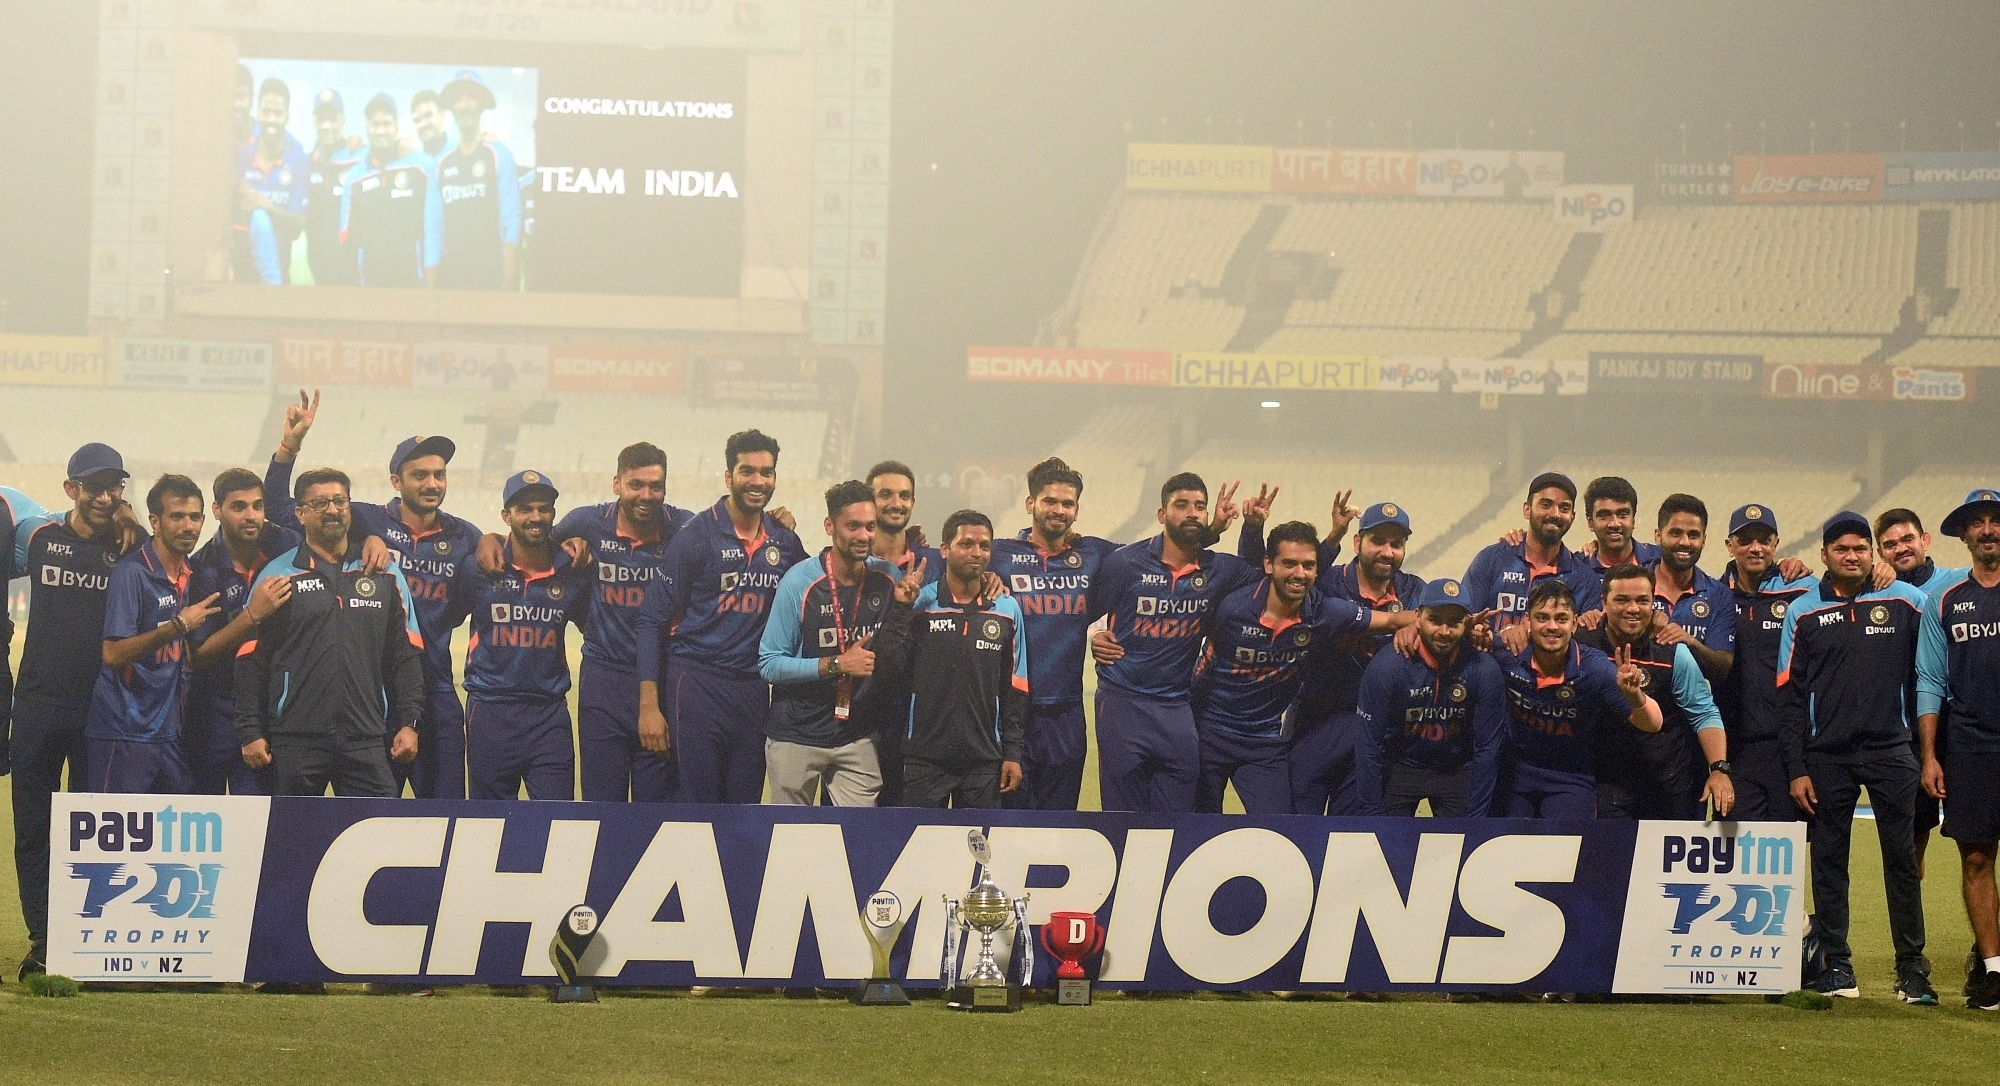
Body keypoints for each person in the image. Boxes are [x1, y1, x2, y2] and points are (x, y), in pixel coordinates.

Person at [273, 391, 478, 798]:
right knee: (373, 813)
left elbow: (463, 605)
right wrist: (289, 445)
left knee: (447, 814)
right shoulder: (367, 518)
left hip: (435, 686)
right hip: (374, 697)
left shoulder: (465, 536)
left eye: (439, 474)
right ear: (396, 482)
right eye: (420, 475)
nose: (432, 483)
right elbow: (280, 508)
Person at [1778, 511, 1934, 1005]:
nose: (1852, 556)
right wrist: (1797, 767)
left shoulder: (1907, 601)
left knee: (1902, 861)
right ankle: (1837, 966)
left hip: (1893, 751)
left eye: (1861, 549)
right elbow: (1787, 696)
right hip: (1827, 757)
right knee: (1828, 862)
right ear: (1824, 555)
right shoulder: (1800, 612)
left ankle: (1912, 970)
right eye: (1841, 549)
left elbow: (1935, 663)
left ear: (1873, 553)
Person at [9, 443, 146, 980]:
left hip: (103, 712)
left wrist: (132, 520)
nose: (106, 497)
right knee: (33, 830)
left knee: (94, 832)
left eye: (115, 487)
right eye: (95, 487)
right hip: (39, 706)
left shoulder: (131, 548)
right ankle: (44, 940)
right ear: (72, 489)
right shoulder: (41, 537)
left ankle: (88, 935)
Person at [502, 442, 695, 802]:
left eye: (656, 486)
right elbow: (529, 543)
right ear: (616, 483)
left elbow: (731, 530)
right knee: (600, 803)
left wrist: (776, 519)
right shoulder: (586, 522)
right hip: (603, 680)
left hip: (661, 680)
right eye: (636, 484)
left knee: (656, 808)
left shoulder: (684, 527)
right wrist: (488, 541)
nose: (646, 495)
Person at [1193, 520, 1410, 814]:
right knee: (1196, 831)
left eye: (1308, 565)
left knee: (1283, 835)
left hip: (1264, 745)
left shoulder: (1325, 612)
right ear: (1269, 565)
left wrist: (1452, 625)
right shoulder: (1233, 609)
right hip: (1211, 736)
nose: (1299, 574)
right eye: (1290, 564)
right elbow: (1199, 669)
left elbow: (1390, 620)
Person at [234, 468, 425, 799]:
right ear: (300, 513)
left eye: (339, 501)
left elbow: (405, 655)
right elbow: (251, 661)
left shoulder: (385, 575)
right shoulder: (278, 575)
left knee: (377, 838)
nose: (332, 510)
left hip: (365, 737)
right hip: (295, 740)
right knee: (292, 843)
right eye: (320, 503)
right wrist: (249, 731)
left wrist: (409, 723)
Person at [638, 430, 807, 804]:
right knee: (698, 804)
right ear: (729, 476)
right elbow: (651, 621)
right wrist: (649, 707)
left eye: (767, 472)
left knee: (745, 804)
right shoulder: (696, 535)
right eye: (748, 471)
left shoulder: (785, 542)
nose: (758, 481)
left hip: (752, 687)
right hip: (696, 681)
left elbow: (819, 588)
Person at [1242, 496, 1427, 816]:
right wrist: (1253, 528)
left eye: (1396, 544)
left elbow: (1443, 627)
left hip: (1373, 735)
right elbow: (1264, 578)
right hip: (1316, 724)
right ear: (1358, 542)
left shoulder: (1415, 591)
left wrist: (1419, 626)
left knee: (1351, 839)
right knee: (1300, 833)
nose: (1387, 551)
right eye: (1377, 541)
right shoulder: (1326, 583)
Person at [1087, 473, 1257, 812]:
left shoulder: (1219, 569)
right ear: (1162, 514)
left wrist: (1251, 528)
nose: (1192, 513)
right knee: (1121, 820)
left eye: (1199, 507)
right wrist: (1095, 633)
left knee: (1177, 823)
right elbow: (1086, 611)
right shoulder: (1126, 562)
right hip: (1123, 703)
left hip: (1177, 708)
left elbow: (1264, 579)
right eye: (1182, 505)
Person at [871, 510, 1027, 808]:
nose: (976, 553)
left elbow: (1015, 689)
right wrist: (901, 610)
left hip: (983, 759)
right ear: (945, 549)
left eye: (983, 546)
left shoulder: (1007, 609)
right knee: (924, 850)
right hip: (924, 758)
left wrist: (1012, 754)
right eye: (966, 544)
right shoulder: (919, 605)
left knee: (980, 851)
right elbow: (887, 669)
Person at [757, 481, 899, 806]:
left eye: (870, 526)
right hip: (796, 734)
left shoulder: (888, 579)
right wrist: (836, 664)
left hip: (856, 735)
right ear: (829, 526)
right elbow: (769, 663)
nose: (863, 535)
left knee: (855, 840)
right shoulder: (799, 582)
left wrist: (991, 584)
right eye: (853, 526)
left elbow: (927, 600)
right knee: (789, 841)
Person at [991, 457, 1118, 811]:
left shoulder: (1093, 554)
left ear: (1077, 510)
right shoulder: (999, 555)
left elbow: (1152, 561)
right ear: (1030, 503)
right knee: (1007, 825)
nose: (1058, 510)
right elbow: (952, 561)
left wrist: (1106, 631)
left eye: (1067, 503)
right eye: (1050, 501)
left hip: (1066, 714)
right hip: (1010, 712)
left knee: (1060, 826)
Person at [1915, 489, 2000, 1009]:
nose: (1988, 530)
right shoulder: (1944, 600)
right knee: (1975, 858)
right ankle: (1993, 969)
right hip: (1970, 748)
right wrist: (1930, 755)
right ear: (1964, 535)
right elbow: (1929, 679)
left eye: (1995, 521)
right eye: (1979, 523)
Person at [84, 476, 223, 793]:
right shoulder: (131, 572)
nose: (188, 526)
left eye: (194, 517)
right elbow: (113, 654)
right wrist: (178, 627)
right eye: (177, 516)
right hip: (123, 732)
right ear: (155, 522)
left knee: (173, 835)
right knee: (115, 836)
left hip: (167, 733)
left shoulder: (192, 573)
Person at [182, 468, 312, 795]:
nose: (251, 516)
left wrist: (370, 538)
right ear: (217, 510)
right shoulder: (201, 569)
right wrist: (252, 615)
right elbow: (199, 655)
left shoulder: (285, 546)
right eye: (239, 507)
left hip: (270, 712)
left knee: (260, 826)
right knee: (203, 821)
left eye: (257, 506)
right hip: (213, 713)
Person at [463, 471, 591, 800]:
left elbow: (595, 627)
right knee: (488, 825)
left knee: (556, 820)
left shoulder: (572, 568)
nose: (536, 517)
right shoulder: (479, 567)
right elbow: (442, 619)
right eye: (525, 509)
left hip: (548, 716)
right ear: (507, 516)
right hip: (491, 711)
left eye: (544, 508)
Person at [1494, 579, 1663, 819]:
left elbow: (1653, 723)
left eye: (1561, 619)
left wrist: (1635, 696)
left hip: (1570, 778)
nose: (1552, 626)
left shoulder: (1594, 668)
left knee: (1568, 851)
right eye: (1542, 618)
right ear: (1527, 622)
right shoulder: (1507, 653)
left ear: (1574, 624)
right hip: (1515, 773)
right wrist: (1477, 632)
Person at [1579, 564, 1732, 820]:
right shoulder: (1581, 645)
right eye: (1622, 600)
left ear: (1653, 603)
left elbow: (1703, 711)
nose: (1633, 609)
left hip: (1669, 787)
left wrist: (1719, 770)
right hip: (1605, 788)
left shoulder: (1671, 651)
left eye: (1642, 600)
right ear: (1603, 602)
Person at [1355, 578, 1506, 817]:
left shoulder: (1483, 669)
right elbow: (1367, 745)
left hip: (1456, 770)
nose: (1444, 632)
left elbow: (1487, 750)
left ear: (1467, 623)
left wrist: (1474, 820)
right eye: (1435, 620)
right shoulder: (1387, 667)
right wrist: (1373, 815)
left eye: (1454, 622)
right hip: (1401, 766)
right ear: (1417, 617)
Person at [1880, 507, 1969, 880]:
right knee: (1913, 837)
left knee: (1976, 842)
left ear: (1924, 540)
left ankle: (1986, 939)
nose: (1900, 548)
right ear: (1880, 552)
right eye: (1889, 544)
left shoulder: (1959, 582)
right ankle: (1913, 932)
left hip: (1964, 724)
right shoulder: (1876, 591)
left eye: (1907, 539)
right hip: (1911, 730)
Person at [1717, 504, 1813, 821]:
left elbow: (1850, 582)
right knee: (1732, 857)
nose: (1755, 548)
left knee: (1785, 858)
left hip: (1789, 750)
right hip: (1734, 751)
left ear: (1775, 543)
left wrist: (1885, 571)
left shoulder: (1802, 590)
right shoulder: (1714, 597)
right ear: (1729, 545)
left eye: (1764, 539)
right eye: (1745, 540)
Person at [1462, 472, 1602, 631]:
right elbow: (1464, 618)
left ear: (1572, 516)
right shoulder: (1491, 560)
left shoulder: (1584, 579)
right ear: (1527, 510)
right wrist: (1478, 631)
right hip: (1492, 656)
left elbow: (1585, 646)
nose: (1555, 514)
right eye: (1545, 504)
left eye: (1564, 508)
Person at [339, 93, 441, 288]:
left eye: (386, 124)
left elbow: (437, 227)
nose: (381, 131)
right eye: (375, 125)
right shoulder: (355, 178)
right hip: (369, 286)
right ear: (367, 129)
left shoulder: (421, 166)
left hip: (415, 284)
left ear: (397, 127)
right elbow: (345, 236)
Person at [433, 70, 521, 289]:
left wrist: (507, 282)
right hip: (450, 279)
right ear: (452, 107)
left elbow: (512, 222)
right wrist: (431, 290)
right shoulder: (441, 162)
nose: (465, 104)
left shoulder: (500, 155)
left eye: (471, 97)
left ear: (481, 104)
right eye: (458, 98)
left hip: (491, 278)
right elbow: (433, 229)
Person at [1646, 494, 1736, 683]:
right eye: (1676, 533)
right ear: (1658, 536)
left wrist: (1690, 642)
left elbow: (1723, 668)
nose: (1685, 542)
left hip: (1692, 711)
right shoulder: (1632, 587)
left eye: (1693, 535)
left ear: (1703, 540)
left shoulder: (1719, 595)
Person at [233, 78, 310, 285]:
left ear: (287, 117)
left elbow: (296, 227)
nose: (271, 119)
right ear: (258, 113)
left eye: (278, 113)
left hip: (278, 275)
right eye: (266, 112)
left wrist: (265, 205)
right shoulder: (241, 156)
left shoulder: (298, 160)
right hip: (240, 274)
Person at [304, 89, 360, 286]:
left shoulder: (358, 160)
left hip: (353, 275)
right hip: (319, 272)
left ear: (343, 121)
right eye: (321, 119)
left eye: (332, 119)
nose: (326, 126)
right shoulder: (306, 164)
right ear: (314, 123)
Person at [410, 88, 449, 160]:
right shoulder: (416, 163)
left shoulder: (459, 153)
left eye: (428, 116)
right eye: (417, 120)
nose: (423, 124)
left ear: (442, 115)